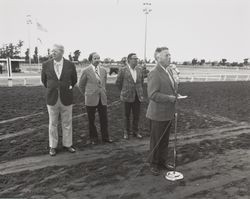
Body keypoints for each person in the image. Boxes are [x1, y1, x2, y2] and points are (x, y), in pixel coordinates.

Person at [41, 44, 77, 156]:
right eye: (52, 51)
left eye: (55, 51)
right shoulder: (46, 64)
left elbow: (74, 80)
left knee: (67, 122)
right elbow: (44, 80)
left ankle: (68, 144)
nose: (53, 53)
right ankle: (53, 146)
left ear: (62, 52)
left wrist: (66, 88)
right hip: (52, 98)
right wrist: (53, 88)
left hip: (67, 98)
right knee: (53, 123)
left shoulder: (70, 65)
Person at [146, 47, 178, 175]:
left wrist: (175, 93)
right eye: (166, 55)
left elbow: (169, 89)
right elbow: (152, 94)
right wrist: (169, 98)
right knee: (156, 140)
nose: (169, 57)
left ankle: (162, 162)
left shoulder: (168, 71)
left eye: (170, 55)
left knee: (164, 140)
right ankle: (153, 164)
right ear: (158, 58)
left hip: (168, 112)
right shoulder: (154, 72)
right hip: (157, 113)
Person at [78, 52, 113, 145]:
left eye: (98, 58)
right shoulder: (85, 70)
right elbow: (80, 85)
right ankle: (94, 138)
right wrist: (87, 94)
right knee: (91, 120)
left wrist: (103, 91)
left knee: (104, 119)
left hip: (102, 98)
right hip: (90, 99)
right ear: (91, 60)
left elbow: (104, 83)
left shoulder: (103, 70)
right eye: (95, 58)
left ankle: (105, 137)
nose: (97, 60)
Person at [116, 53, 144, 139]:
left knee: (136, 115)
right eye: (134, 58)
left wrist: (139, 91)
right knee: (126, 115)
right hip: (126, 96)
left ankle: (135, 132)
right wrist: (124, 91)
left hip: (137, 96)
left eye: (137, 58)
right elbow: (118, 82)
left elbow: (141, 82)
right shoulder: (123, 70)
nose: (136, 60)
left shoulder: (140, 69)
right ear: (129, 60)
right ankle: (126, 132)